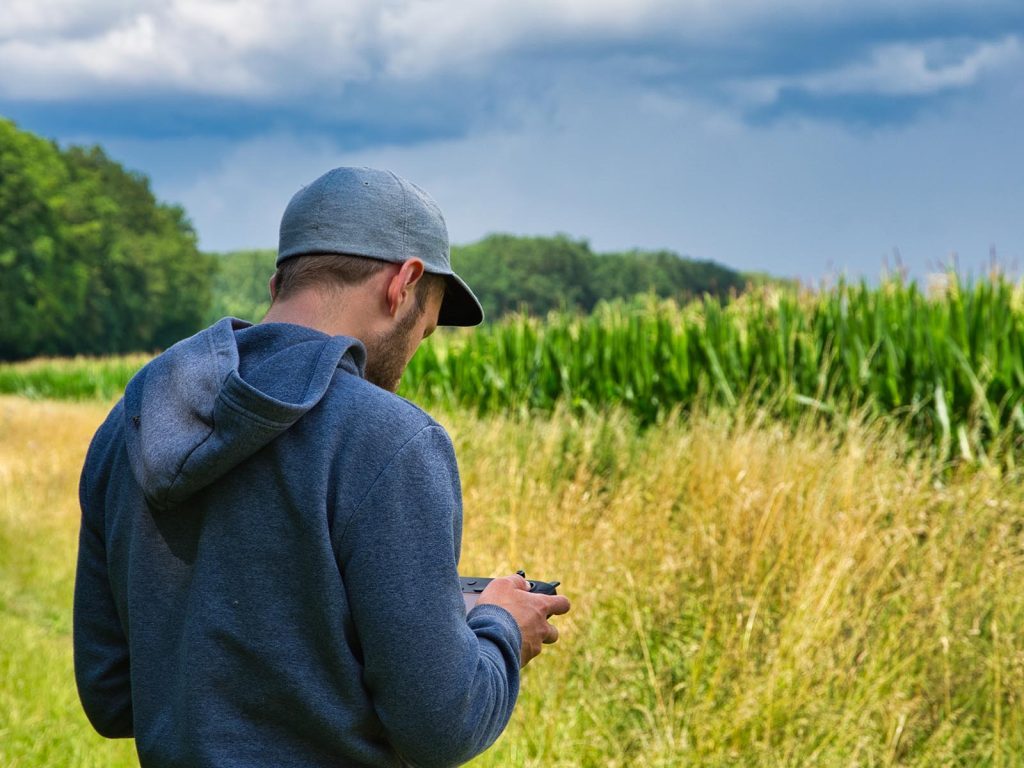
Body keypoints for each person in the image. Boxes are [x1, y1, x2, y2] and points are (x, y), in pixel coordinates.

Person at [73, 166, 571, 768]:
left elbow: (111, 696)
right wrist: (500, 629)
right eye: (427, 328)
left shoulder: (131, 424)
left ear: (278, 281)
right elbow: (443, 726)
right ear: (404, 283)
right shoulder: (393, 439)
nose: (415, 350)